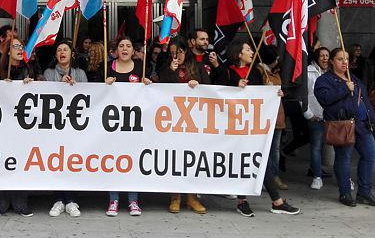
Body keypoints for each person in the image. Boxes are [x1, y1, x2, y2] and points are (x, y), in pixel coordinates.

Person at [214, 40, 300, 216]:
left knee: (259, 161)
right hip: (232, 126)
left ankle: (275, 201)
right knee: (241, 162)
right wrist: (234, 88)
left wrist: (275, 93)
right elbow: (217, 94)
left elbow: (262, 94)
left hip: (253, 125)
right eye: (247, 49)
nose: (252, 52)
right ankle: (243, 201)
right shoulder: (226, 72)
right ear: (239, 54)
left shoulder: (255, 71)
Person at [314, 47, 375, 208]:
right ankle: (345, 192)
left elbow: (364, 99)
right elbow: (325, 99)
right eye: (340, 59)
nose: (344, 62)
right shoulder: (324, 80)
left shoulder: (353, 77)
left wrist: (371, 118)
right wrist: (344, 88)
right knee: (343, 159)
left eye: (346, 59)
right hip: (342, 124)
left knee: (371, 154)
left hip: (362, 124)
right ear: (332, 61)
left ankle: (364, 192)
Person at [158, 37, 209, 214]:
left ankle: (192, 198)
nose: (176, 56)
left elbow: (210, 89)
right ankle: (175, 197)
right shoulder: (166, 68)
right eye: (172, 53)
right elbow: (160, 90)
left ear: (185, 51)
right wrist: (171, 72)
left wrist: (198, 85)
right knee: (174, 159)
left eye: (178, 52)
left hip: (194, 121)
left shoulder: (197, 67)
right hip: (172, 121)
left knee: (192, 159)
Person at [104, 36, 152, 217]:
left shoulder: (141, 67)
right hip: (112, 125)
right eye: (121, 46)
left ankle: (133, 200)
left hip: (134, 124)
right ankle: (113, 200)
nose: (124, 49)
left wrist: (148, 85)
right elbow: (95, 92)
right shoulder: (107, 68)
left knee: (132, 161)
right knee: (114, 161)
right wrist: (104, 84)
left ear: (133, 50)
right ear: (116, 50)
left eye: (128, 46)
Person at [0, 34, 34, 218]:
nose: (19, 49)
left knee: (19, 162)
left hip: (22, 125)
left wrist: (30, 85)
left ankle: (20, 203)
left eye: (21, 46)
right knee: (3, 162)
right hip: (3, 125)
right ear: (8, 51)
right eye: (15, 46)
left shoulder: (29, 69)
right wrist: (1, 85)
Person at [44, 41, 86, 218]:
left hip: (74, 126)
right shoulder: (48, 73)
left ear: (72, 54)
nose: (62, 52)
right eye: (59, 50)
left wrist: (77, 88)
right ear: (56, 55)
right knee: (57, 162)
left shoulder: (80, 74)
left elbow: (88, 96)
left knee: (71, 162)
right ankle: (58, 199)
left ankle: (71, 200)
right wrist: (59, 85)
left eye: (65, 50)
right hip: (56, 125)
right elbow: (46, 94)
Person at [256, 45, 288, 191]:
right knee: (264, 150)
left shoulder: (275, 72)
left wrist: (281, 92)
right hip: (263, 117)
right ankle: (264, 178)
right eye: (276, 58)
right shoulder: (258, 72)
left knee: (274, 149)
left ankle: (274, 177)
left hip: (277, 116)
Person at [305, 47, 330, 190]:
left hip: (331, 117)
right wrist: (308, 114)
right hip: (316, 117)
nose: (325, 58)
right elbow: (302, 95)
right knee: (316, 147)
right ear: (316, 57)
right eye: (322, 56)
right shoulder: (308, 72)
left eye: (327, 55)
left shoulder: (332, 72)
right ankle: (317, 177)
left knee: (339, 147)